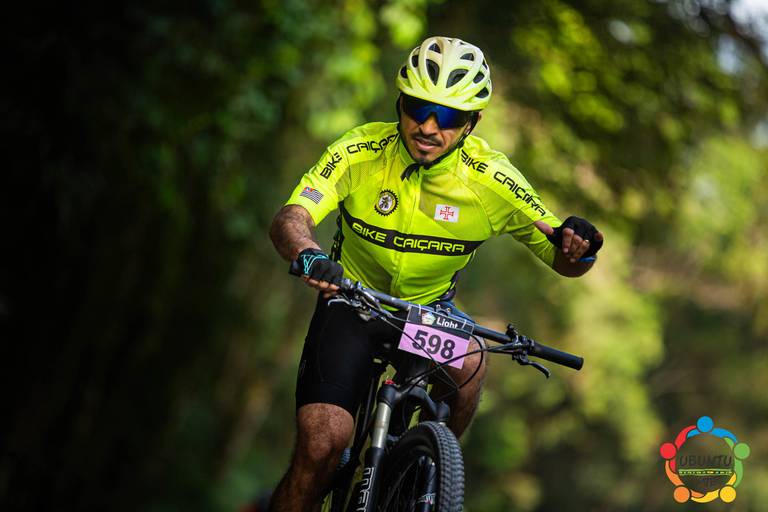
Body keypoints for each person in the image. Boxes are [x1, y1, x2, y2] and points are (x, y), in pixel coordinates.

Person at [268, 36, 603, 511]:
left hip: (425, 315)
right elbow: (292, 217)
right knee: (322, 445)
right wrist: (308, 254)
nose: (428, 126)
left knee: (472, 362)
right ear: (399, 103)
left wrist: (580, 245)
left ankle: (424, 476)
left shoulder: (492, 180)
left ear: (472, 123)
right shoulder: (361, 151)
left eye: (447, 116)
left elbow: (562, 256)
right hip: (352, 304)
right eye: (418, 108)